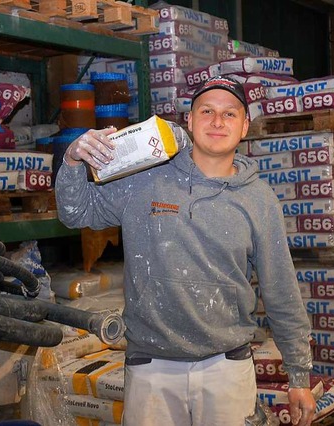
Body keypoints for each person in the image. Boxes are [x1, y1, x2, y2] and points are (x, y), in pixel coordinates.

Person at [55, 76, 316, 426]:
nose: (218, 121)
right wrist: (72, 162)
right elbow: (75, 213)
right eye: (207, 111)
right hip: (151, 370)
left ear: (244, 127)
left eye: (229, 114)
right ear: (189, 121)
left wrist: (299, 376)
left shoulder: (259, 200)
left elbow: (281, 290)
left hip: (228, 368)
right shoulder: (145, 180)